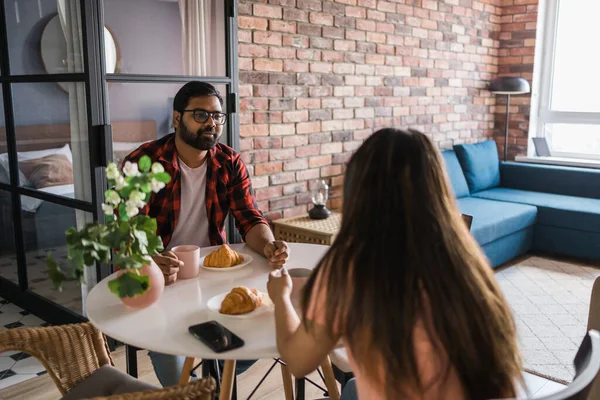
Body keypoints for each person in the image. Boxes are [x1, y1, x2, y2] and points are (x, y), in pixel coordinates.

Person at [267, 128, 523, 399]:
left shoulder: (351, 266)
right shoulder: (464, 259)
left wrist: (281, 296)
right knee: (352, 388)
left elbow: (298, 361)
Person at [123, 81, 290, 387]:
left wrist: (268, 246)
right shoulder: (142, 163)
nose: (211, 123)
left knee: (264, 320)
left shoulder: (229, 161)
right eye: (200, 115)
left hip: (215, 272)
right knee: (168, 347)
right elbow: (127, 231)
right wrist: (148, 260)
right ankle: (192, 391)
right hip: (164, 276)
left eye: (216, 116)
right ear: (177, 119)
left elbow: (249, 217)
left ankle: (211, 382)